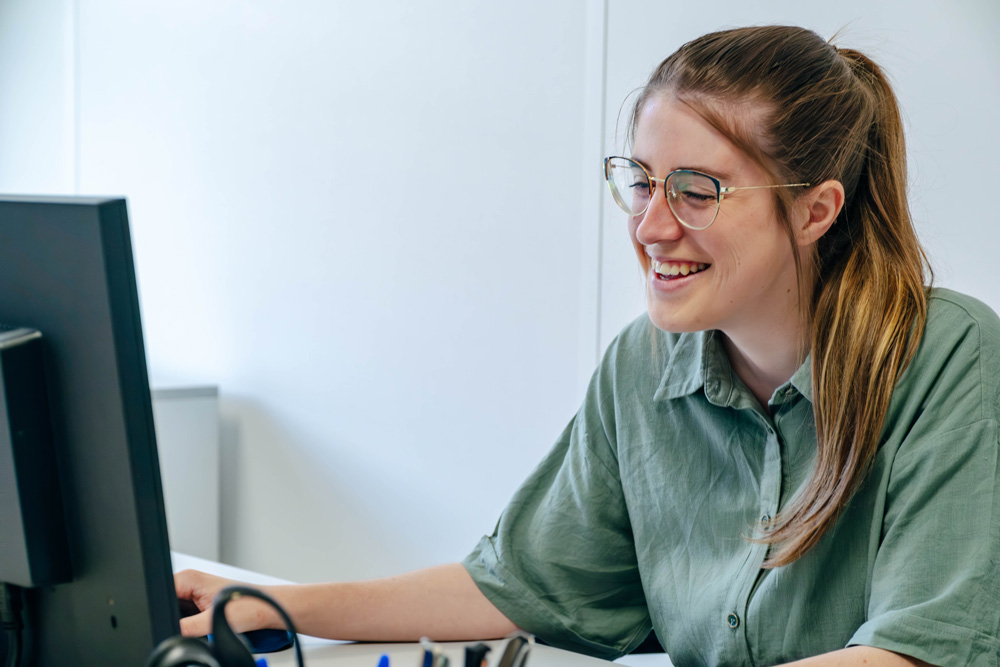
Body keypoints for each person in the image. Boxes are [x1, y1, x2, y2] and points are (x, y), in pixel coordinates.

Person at [175, 25, 1000, 667]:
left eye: (697, 191)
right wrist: (274, 603)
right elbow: (515, 585)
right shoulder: (642, 366)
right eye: (640, 179)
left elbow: (914, 650)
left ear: (817, 211)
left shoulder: (948, 357)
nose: (649, 226)